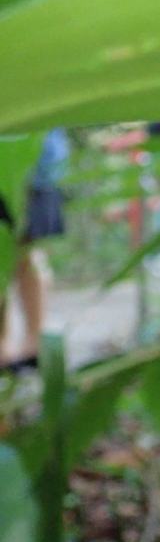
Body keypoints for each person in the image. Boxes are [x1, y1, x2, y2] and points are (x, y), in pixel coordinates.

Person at [0, 128, 69, 370]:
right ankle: (7, 345)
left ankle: (34, 343)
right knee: (14, 254)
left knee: (27, 252)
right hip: (30, 165)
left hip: (34, 167)